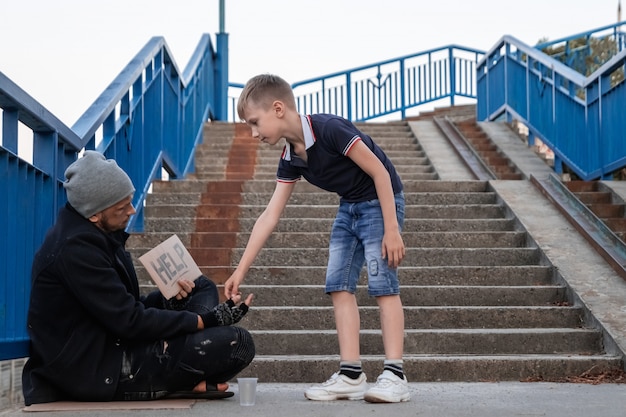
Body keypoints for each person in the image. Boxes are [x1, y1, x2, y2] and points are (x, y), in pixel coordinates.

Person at [224, 74, 410, 403]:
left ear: (278, 108)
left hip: (380, 204)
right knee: (338, 284)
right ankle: (351, 375)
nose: (253, 134)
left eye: (254, 123)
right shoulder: (290, 158)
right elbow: (270, 215)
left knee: (382, 284)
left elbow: (380, 171)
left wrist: (392, 229)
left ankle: (395, 375)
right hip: (349, 207)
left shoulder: (330, 129)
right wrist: (241, 270)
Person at [22, 151, 255, 405]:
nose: (133, 211)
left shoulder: (99, 235)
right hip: (95, 370)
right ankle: (180, 379)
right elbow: (129, 321)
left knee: (201, 286)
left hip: (114, 341)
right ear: (94, 214)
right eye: (123, 207)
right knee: (239, 342)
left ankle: (181, 375)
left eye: (130, 201)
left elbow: (123, 307)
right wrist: (203, 320)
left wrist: (171, 304)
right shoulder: (74, 251)